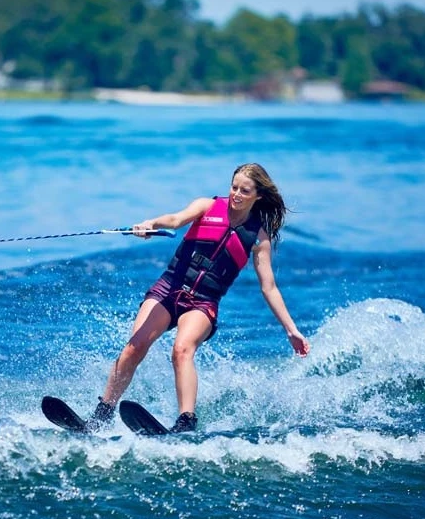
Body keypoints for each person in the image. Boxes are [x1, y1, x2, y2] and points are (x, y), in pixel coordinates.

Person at [85, 163, 310, 433]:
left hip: (203, 302)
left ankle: (186, 423)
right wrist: (151, 224)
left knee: (181, 350)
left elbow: (269, 287)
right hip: (170, 287)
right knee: (136, 346)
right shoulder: (207, 206)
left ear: (258, 195)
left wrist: (291, 330)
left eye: (245, 190)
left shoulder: (259, 237)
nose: (236, 194)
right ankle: (102, 414)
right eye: (234, 187)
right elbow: (176, 219)